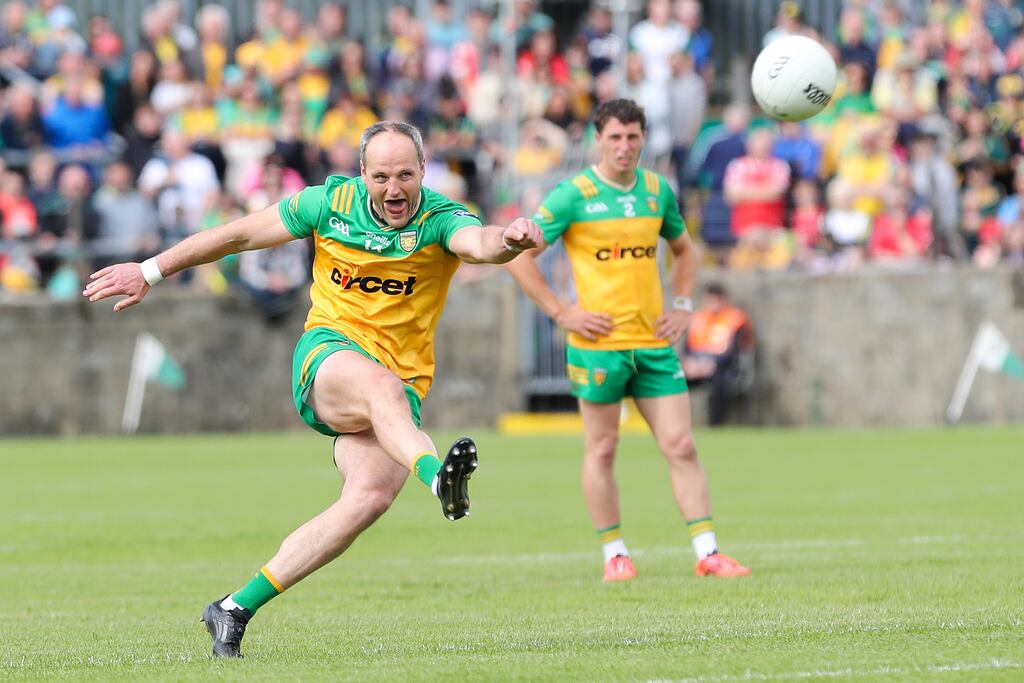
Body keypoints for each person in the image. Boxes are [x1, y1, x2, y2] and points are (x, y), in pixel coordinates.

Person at [83, 121, 542, 658]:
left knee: (367, 499)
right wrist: (150, 270)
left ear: (423, 171)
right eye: (381, 176)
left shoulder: (441, 217)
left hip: (399, 391)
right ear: (362, 173)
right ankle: (437, 478)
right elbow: (237, 235)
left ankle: (233, 608)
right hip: (328, 359)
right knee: (380, 387)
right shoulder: (327, 204)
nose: (393, 189)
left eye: (404, 175)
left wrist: (508, 240)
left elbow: (480, 243)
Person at [505, 99, 750, 583]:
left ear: (643, 139)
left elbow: (684, 251)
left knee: (681, 444)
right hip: (597, 346)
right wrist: (562, 312)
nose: (624, 146)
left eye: (632, 136)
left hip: (654, 345)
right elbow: (518, 256)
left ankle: (708, 553)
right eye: (614, 137)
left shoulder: (657, 191)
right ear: (598, 140)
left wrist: (682, 305)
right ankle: (615, 554)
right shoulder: (573, 194)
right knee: (602, 450)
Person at [682, 284, 754, 426]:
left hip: (724, 367)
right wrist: (691, 364)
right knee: (675, 378)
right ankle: (677, 423)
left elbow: (734, 352)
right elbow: (688, 348)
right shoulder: (698, 318)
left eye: (716, 300)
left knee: (720, 380)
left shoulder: (735, 319)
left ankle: (716, 425)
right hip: (698, 366)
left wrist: (712, 364)